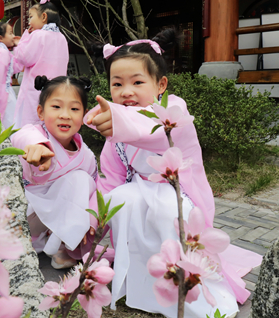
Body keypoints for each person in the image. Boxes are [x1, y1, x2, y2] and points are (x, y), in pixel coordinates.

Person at [85, 30, 262, 318]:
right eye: (117, 84)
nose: (126, 91)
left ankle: (187, 292)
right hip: (138, 199)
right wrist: (95, 220)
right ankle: (141, 283)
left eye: (137, 82)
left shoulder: (174, 110)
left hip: (177, 198)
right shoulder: (115, 135)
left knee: (164, 210)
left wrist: (117, 122)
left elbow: (151, 130)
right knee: (122, 197)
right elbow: (110, 182)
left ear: (161, 84)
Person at [11, 75, 98, 269]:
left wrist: (90, 222)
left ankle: (64, 246)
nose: (65, 115)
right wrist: (38, 146)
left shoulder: (87, 156)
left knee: (83, 181)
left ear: (84, 115)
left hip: (52, 225)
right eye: (56, 107)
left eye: (74, 109)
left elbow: (94, 193)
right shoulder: (33, 134)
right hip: (26, 216)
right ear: (41, 112)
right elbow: (21, 137)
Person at [12, 0, 69, 128]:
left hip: (36, 89)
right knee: (50, 123)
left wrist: (23, 39)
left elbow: (23, 57)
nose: (29, 21)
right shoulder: (62, 37)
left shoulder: (38, 35)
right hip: (57, 89)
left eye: (31, 17)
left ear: (43, 17)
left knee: (31, 124)